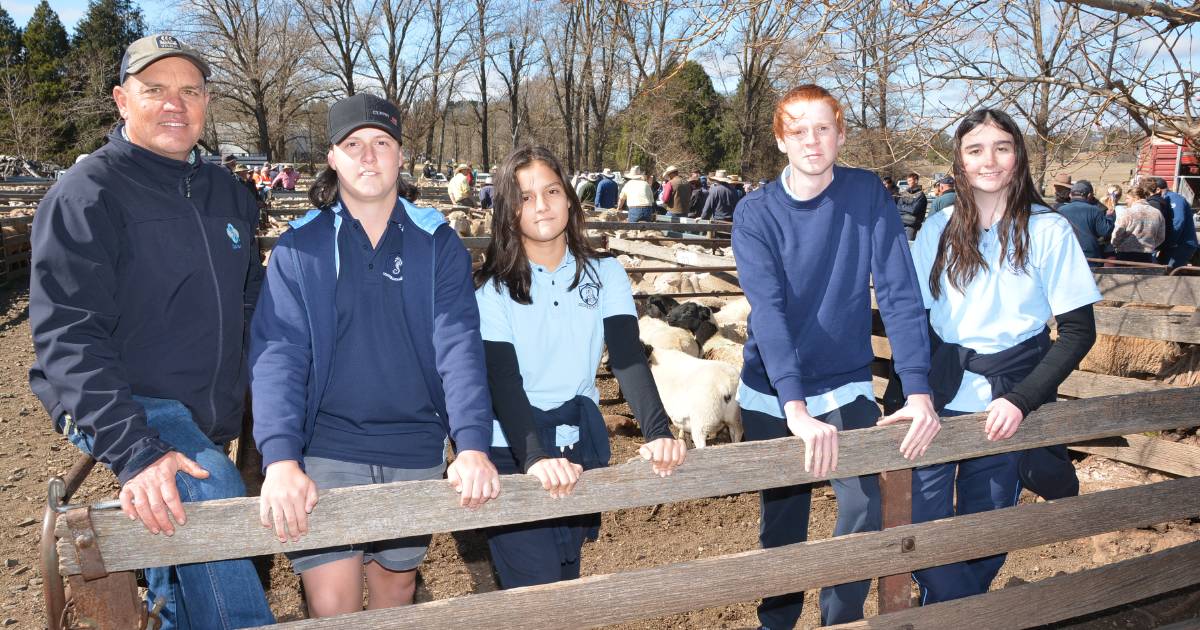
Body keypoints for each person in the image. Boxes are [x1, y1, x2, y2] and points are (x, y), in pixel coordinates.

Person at [28, 34, 274, 629]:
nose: (175, 104)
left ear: (207, 103)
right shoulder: (87, 195)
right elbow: (68, 334)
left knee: (174, 544)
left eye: (190, 91)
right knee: (204, 492)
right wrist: (137, 450)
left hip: (209, 408)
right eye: (154, 89)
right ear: (121, 99)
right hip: (128, 400)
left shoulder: (229, 194)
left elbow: (250, 306)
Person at [250, 93, 500, 617]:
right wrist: (280, 459)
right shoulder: (300, 248)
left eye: (382, 143)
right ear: (332, 157)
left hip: (412, 444)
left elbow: (458, 344)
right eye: (354, 144)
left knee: (396, 597)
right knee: (334, 604)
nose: (369, 157)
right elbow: (280, 354)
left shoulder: (436, 242)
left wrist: (472, 443)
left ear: (401, 156)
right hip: (326, 445)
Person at [733, 84, 938, 628]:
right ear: (781, 140)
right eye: (797, 129)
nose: (812, 140)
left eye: (823, 128)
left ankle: (839, 618)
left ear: (841, 134)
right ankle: (776, 622)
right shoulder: (756, 213)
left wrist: (917, 388)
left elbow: (897, 289)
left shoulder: (866, 194)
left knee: (864, 506)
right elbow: (769, 312)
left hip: (845, 381)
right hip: (774, 388)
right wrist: (793, 409)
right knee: (784, 515)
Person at [909, 108, 1100, 605]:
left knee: (988, 528)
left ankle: (950, 615)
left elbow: (1079, 332)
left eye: (1001, 147)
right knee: (918, 521)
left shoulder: (1049, 230)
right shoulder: (939, 229)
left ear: (1018, 156)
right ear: (960, 161)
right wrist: (913, 394)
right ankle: (962, 615)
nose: (988, 159)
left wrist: (1022, 399)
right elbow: (914, 323)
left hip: (1009, 402)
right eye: (975, 149)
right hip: (942, 397)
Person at [473, 145, 686, 588]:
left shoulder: (604, 274)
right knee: (540, 593)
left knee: (568, 578)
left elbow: (627, 357)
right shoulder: (492, 290)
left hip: (577, 441)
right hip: (513, 446)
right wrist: (533, 459)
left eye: (551, 190)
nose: (542, 204)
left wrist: (659, 432)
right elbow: (504, 381)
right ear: (508, 210)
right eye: (525, 196)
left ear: (569, 198)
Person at [1056, 180, 1114, 265]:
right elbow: (1105, 231)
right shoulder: (1095, 210)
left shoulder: (1060, 211)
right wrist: (1110, 217)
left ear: (1070, 195)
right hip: (1089, 256)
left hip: (1066, 253)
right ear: (1089, 195)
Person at [1112, 181, 1166, 263]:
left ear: (1136, 198)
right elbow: (1161, 236)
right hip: (1146, 256)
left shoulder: (1127, 212)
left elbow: (1117, 233)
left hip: (1125, 254)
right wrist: (1151, 245)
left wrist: (1116, 244)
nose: (1126, 201)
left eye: (1127, 198)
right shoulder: (1157, 213)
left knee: (1123, 276)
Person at [1153, 177, 1197, 268]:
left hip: (1181, 244)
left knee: (1169, 272)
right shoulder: (1165, 199)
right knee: (1160, 268)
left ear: (1158, 190)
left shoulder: (1175, 199)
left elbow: (1178, 222)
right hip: (1172, 245)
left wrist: (1168, 243)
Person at [896, 172, 928, 240]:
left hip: (911, 226)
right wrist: (906, 208)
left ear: (916, 181)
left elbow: (914, 210)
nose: (908, 183)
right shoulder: (904, 193)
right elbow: (898, 207)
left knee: (909, 246)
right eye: (908, 181)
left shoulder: (920, 196)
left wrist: (903, 207)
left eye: (910, 181)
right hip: (901, 223)